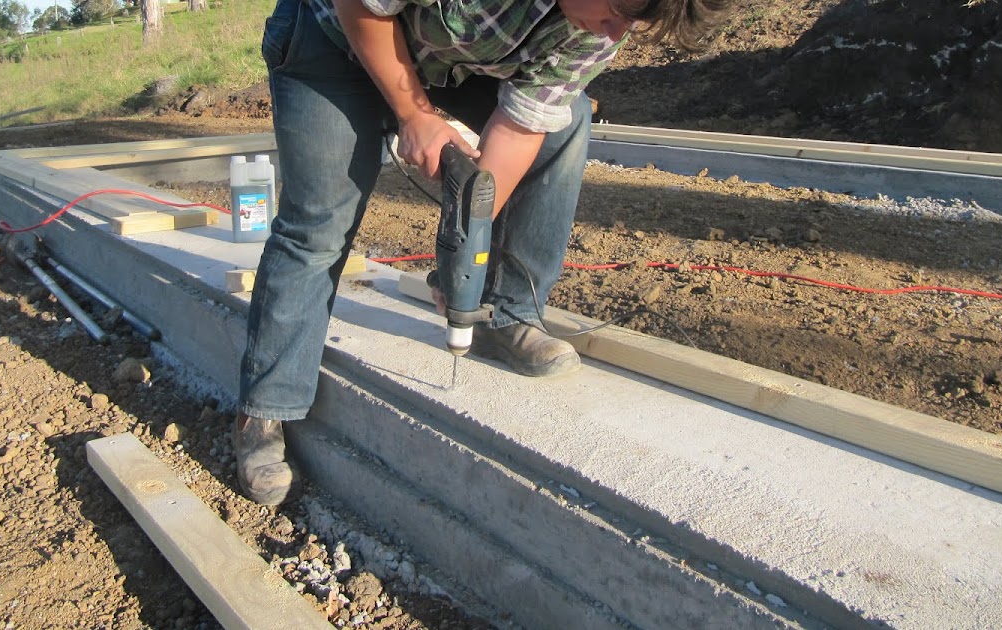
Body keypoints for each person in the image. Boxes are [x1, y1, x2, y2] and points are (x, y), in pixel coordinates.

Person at [234, 0, 729, 504]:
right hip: (336, 36)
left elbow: (523, 123)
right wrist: (413, 115)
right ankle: (266, 408)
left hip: (450, 59)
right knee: (320, 224)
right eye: (619, 9)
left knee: (566, 120)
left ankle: (504, 315)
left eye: (635, 22)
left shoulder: (605, 22)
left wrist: (463, 245)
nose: (618, 30)